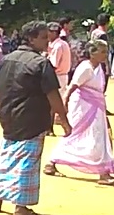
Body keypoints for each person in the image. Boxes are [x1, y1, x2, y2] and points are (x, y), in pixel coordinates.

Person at [0, 21, 69, 215]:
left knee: (8, 157)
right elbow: (53, 95)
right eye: (42, 38)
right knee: (27, 163)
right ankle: (20, 207)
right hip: (33, 118)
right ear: (31, 39)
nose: (47, 42)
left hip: (8, 116)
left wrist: (4, 103)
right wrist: (64, 120)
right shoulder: (41, 63)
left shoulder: (7, 59)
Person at [47, 39, 114, 184]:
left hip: (96, 108)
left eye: (105, 51)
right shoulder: (86, 68)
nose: (105, 55)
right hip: (84, 108)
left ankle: (103, 171)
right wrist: (63, 108)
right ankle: (102, 173)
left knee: (98, 137)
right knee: (78, 135)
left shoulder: (98, 69)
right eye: (102, 52)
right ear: (92, 53)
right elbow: (71, 88)